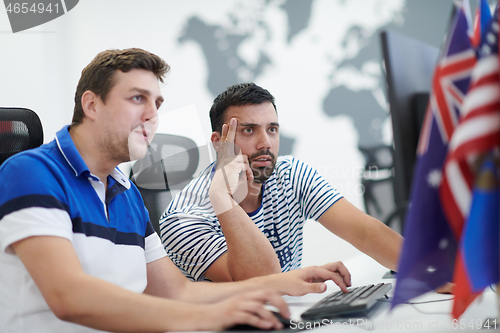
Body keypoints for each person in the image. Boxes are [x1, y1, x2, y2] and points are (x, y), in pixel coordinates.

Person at [0, 49, 352, 333]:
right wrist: (205, 319)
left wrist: (282, 282)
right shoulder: (30, 172)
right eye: (138, 99)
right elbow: (68, 297)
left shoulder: (125, 192)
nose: (152, 115)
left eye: (157, 104)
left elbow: (177, 291)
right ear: (92, 105)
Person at [160, 83, 404, 283]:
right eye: (248, 130)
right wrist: (223, 198)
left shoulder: (291, 174)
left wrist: (425, 270)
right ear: (218, 142)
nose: (265, 142)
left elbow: (363, 232)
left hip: (286, 317)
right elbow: (262, 282)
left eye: (272, 129)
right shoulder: (184, 219)